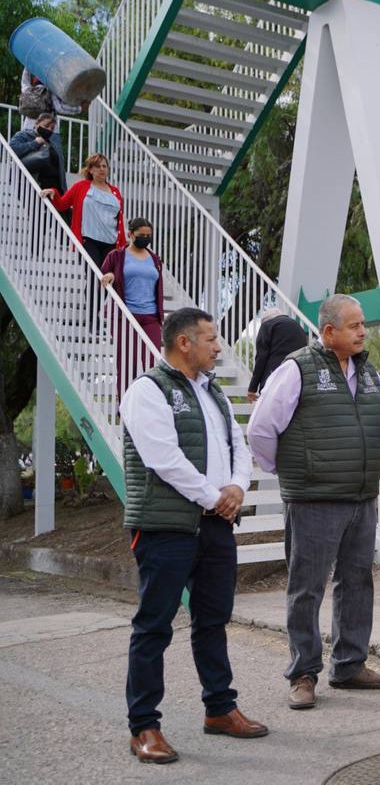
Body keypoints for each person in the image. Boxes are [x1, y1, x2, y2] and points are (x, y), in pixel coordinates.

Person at [119, 307, 267, 764]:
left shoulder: (215, 394)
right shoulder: (147, 391)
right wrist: (213, 497)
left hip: (216, 525)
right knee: (154, 626)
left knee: (212, 620)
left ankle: (219, 709)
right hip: (167, 527)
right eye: (211, 339)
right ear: (184, 343)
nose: (218, 347)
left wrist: (238, 487)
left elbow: (237, 447)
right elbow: (163, 458)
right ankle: (144, 726)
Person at [246, 294, 380, 710]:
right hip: (313, 499)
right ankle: (303, 673)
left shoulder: (369, 374)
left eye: (363, 325)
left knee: (357, 582)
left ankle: (349, 664)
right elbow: (260, 429)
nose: (363, 331)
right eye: (354, 326)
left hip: (361, 498)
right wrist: (292, 471)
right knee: (306, 588)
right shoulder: (296, 369)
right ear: (329, 332)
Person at [40, 152, 125, 268]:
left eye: (104, 166)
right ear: (90, 170)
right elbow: (62, 204)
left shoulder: (115, 191)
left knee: (106, 281)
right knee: (93, 275)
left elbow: (118, 220)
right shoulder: (80, 186)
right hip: (88, 240)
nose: (101, 169)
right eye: (97, 166)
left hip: (112, 242)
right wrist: (53, 192)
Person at [101, 218, 164, 350]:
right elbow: (103, 277)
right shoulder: (116, 256)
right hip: (124, 315)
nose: (145, 238)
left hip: (150, 317)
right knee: (127, 362)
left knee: (153, 360)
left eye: (148, 236)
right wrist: (111, 275)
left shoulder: (155, 259)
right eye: (141, 236)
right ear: (130, 234)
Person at [247, 308, 309, 403]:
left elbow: (261, 358)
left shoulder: (267, 325)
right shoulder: (298, 326)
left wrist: (252, 388)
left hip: (275, 379)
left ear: (265, 320)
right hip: (298, 379)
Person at [9, 112, 67, 195]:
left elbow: (61, 170)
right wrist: (35, 143)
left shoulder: (54, 144)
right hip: (33, 187)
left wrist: (63, 191)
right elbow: (12, 150)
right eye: (46, 126)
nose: (49, 130)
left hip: (54, 190)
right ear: (36, 124)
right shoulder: (24, 135)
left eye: (52, 128)